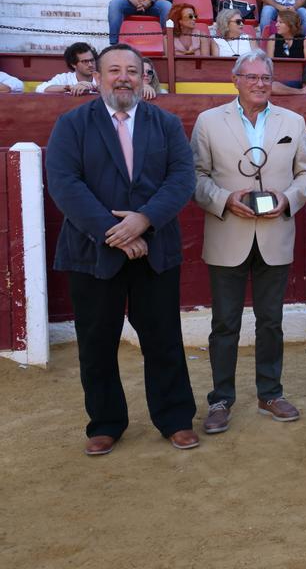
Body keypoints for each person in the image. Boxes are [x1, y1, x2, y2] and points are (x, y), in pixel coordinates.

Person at [45, 44, 199, 456]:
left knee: (164, 338)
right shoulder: (72, 124)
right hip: (94, 252)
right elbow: (64, 183)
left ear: (144, 76)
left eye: (133, 70)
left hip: (155, 249)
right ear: (97, 77)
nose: (124, 77)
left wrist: (143, 221)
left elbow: (181, 178)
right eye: (114, 70)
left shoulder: (165, 124)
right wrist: (114, 232)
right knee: (96, 342)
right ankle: (105, 422)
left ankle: (175, 419)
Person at [191, 50, 306, 435]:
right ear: (236, 79)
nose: (260, 83)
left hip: (275, 233)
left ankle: (270, 393)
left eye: (266, 77)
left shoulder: (293, 121)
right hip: (228, 231)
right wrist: (224, 200)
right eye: (252, 77)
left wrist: (288, 200)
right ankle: (220, 399)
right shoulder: (209, 121)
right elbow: (195, 176)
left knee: (271, 322)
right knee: (224, 323)